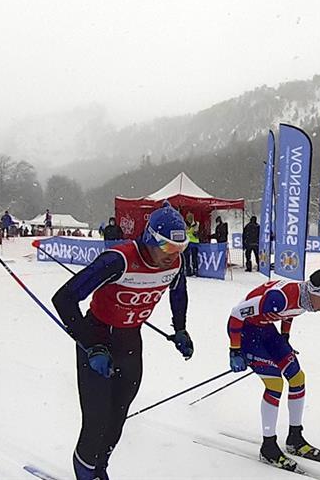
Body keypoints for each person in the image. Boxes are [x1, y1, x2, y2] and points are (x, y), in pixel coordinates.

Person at [51, 202, 194, 480]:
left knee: (117, 419)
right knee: (96, 421)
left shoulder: (175, 263)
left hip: (130, 340)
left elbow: (179, 292)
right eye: (167, 248)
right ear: (150, 239)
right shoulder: (118, 260)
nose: (173, 256)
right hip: (98, 336)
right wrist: (91, 345)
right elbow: (64, 299)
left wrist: (180, 329)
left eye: (180, 248)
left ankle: (98, 470)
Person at [227, 269, 320, 471]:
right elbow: (236, 314)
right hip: (246, 331)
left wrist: (284, 339)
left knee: (297, 378)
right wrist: (234, 350)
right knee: (275, 384)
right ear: (314, 292)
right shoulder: (279, 298)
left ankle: (295, 438)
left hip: (267, 330)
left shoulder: (306, 300)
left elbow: (291, 313)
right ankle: (268, 446)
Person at [184, 212, 200, 276]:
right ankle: (189, 270)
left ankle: (195, 270)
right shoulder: (185, 224)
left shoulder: (196, 224)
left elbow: (195, 232)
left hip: (194, 242)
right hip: (188, 242)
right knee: (187, 257)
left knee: (194, 257)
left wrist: (190, 231)